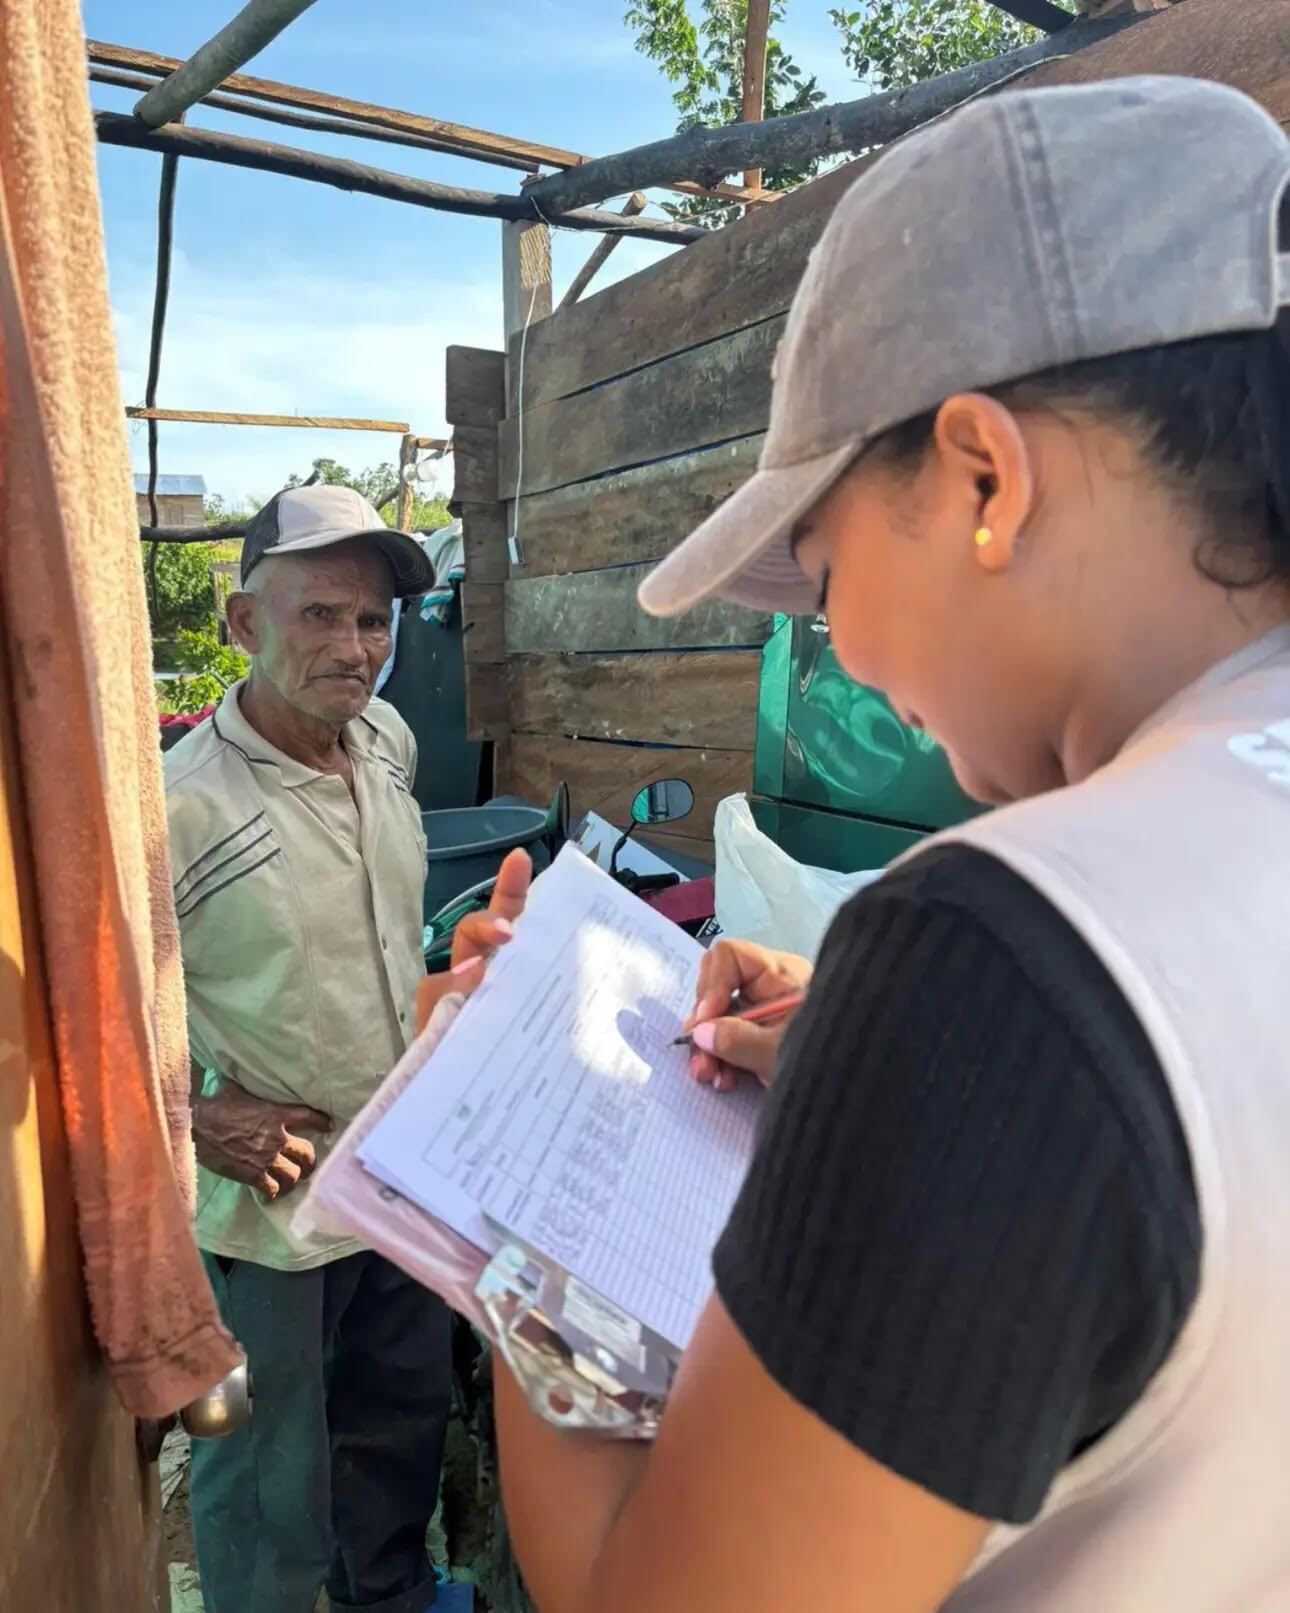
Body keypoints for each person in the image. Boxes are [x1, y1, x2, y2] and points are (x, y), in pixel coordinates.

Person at [426, 77, 1290, 1610]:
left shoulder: (1005, 950)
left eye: (817, 572)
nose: (837, 645)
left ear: (980, 478)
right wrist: (867, 1052)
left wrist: (505, 1196)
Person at [165, 484, 453, 1613]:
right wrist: (194, 1114)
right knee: (264, 1463)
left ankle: (386, 1592)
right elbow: (71, 1019)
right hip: (269, 1206)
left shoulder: (383, 739)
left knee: (400, 1420)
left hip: (397, 1173)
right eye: (322, 616)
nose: (357, 649)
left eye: (374, 621)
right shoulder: (181, 809)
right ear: (243, 623)